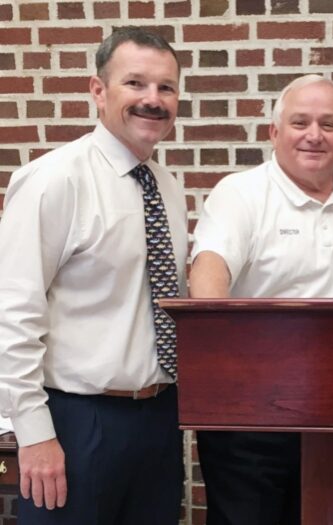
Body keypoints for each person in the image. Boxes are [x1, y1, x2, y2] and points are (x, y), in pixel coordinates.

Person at [0, 27, 187, 524]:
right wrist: (34, 432)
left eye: (166, 87)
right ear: (98, 91)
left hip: (159, 418)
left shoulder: (167, 186)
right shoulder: (53, 181)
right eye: (135, 84)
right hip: (76, 423)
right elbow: (11, 314)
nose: (153, 99)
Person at [189, 74, 333, 525]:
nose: (314, 135)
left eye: (328, 124)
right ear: (274, 133)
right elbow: (209, 271)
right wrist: (228, 372)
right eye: (300, 122)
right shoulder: (241, 193)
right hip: (251, 420)